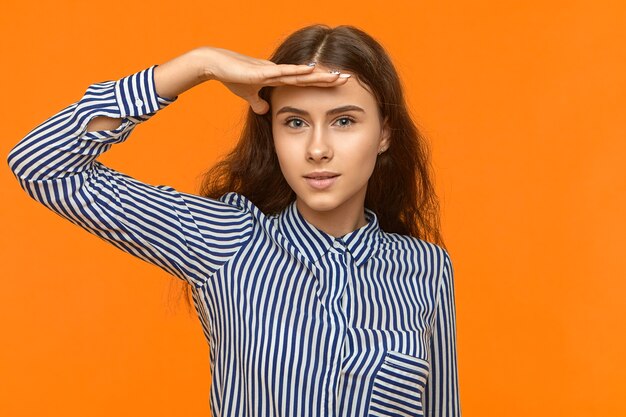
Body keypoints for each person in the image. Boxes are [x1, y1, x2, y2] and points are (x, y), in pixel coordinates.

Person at [7, 24, 461, 417]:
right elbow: (42, 165)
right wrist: (196, 66)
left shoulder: (425, 269)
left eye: (343, 121)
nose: (317, 149)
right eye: (295, 123)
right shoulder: (226, 240)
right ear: (273, 132)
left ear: (383, 133)